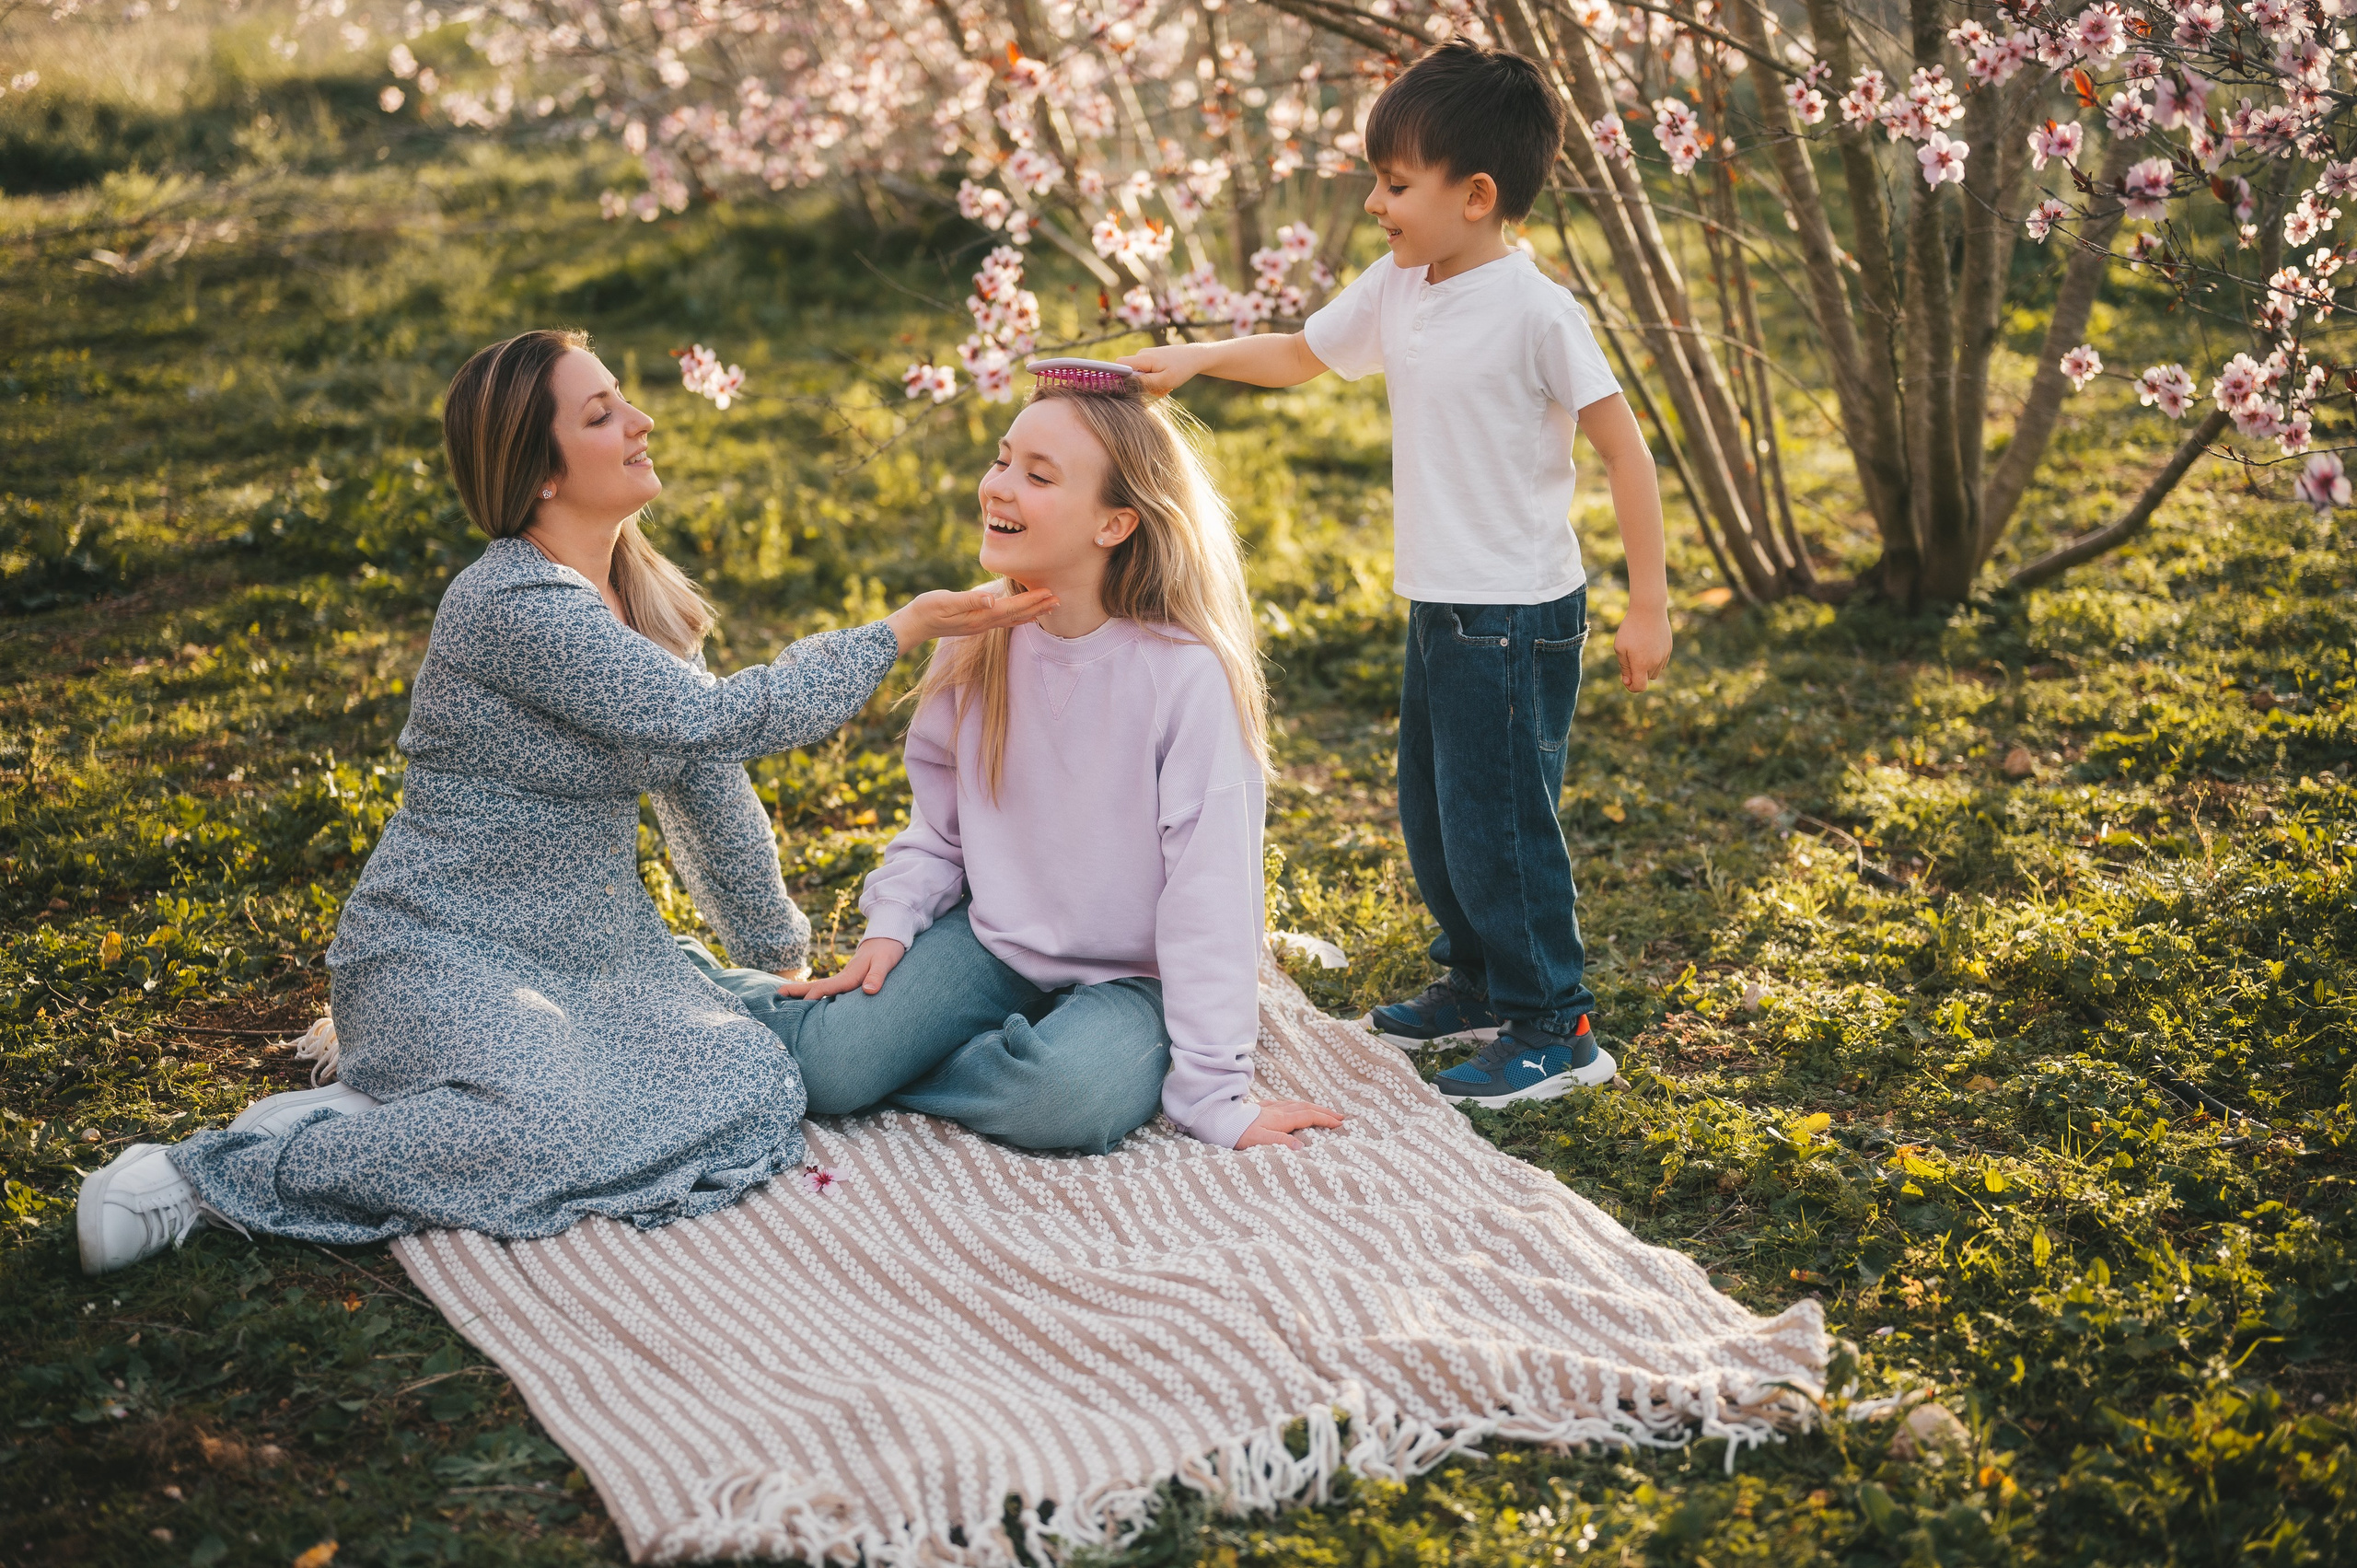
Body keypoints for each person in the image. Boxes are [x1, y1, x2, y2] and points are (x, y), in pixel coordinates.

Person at [75, 329, 1054, 1275]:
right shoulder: (506, 605)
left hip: (597, 959)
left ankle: (412, 1119)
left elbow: (705, 787)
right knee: (545, 1125)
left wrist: (775, 953)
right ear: (541, 471)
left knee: (757, 1081)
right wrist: (899, 629)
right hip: (440, 949)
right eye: (601, 413)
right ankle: (220, 1173)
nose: (640, 421)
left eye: (622, 398)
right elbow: (716, 724)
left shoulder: (643, 600)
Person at [1120, 38, 1673, 1110]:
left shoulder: (1536, 312)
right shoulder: (1401, 284)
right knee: (1434, 808)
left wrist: (1648, 604)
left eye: (1395, 183)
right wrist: (1193, 359)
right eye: (1377, 179)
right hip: (1441, 600)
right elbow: (1301, 354)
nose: (1376, 202)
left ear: (1475, 194)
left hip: (1515, 612)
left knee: (1499, 819)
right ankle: (1476, 982)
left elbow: (1624, 450)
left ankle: (1554, 1023)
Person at [680, 368, 1343, 1155]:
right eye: (1003, 460)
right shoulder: (974, 638)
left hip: (1133, 979)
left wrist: (1212, 1089)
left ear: (1115, 524)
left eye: (1038, 475)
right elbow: (940, 829)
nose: (999, 486)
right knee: (831, 1071)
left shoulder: (1183, 675)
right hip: (995, 941)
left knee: (1066, 1100)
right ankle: (685, 979)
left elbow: (1210, 896)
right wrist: (891, 928)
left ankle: (963, 1055)